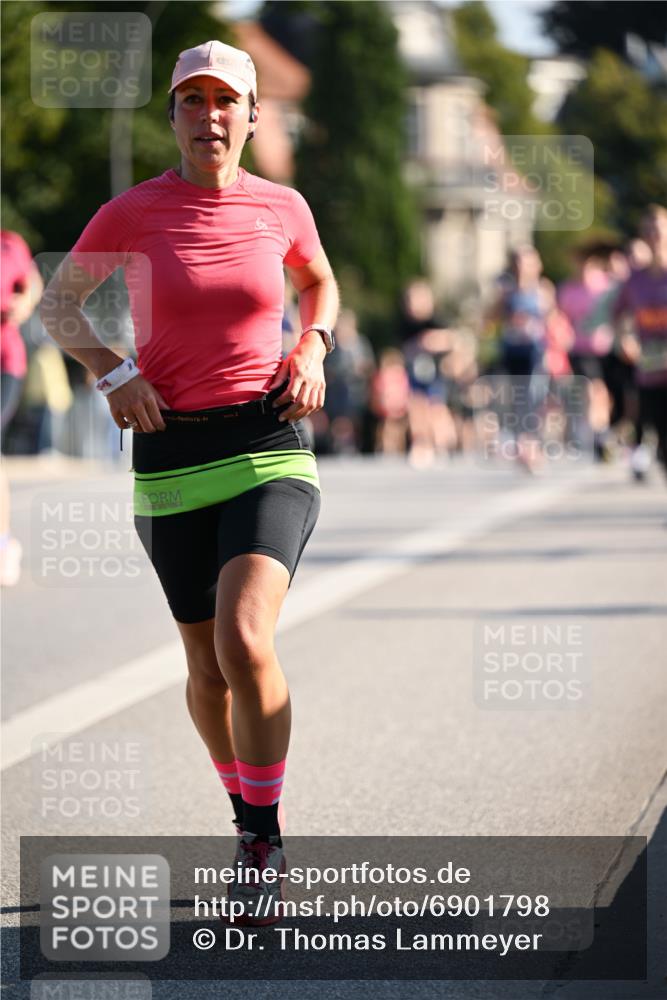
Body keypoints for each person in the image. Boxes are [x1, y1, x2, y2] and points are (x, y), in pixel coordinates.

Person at [40, 40, 339, 924]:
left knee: (245, 641)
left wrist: (312, 346)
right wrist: (113, 372)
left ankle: (264, 836)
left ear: (251, 116)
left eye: (226, 101)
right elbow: (59, 305)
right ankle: (244, 813)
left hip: (266, 441)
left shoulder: (282, 206)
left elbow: (318, 281)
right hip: (169, 453)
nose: (210, 116)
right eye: (192, 100)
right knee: (207, 671)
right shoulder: (132, 212)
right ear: (172, 116)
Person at [1, 230, 43, 585]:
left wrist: (23, 304)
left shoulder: (10, 244)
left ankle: (3, 544)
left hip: (5, 362)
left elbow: (33, 285)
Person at [613, 205, 667, 481]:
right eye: (647, 230)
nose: (652, 235)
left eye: (657, 228)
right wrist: (624, 339)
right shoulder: (635, 281)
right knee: (659, 434)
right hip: (650, 367)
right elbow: (619, 316)